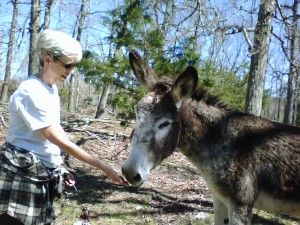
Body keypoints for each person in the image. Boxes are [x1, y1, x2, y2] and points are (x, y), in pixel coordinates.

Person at [0, 29, 128, 225]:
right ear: (47, 60)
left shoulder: (51, 89)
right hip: (21, 174)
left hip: (41, 173)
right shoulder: (30, 91)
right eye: (68, 65)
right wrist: (104, 168)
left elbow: (50, 138)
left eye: (74, 65)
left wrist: (60, 165)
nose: (72, 71)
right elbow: (59, 140)